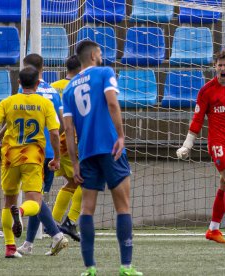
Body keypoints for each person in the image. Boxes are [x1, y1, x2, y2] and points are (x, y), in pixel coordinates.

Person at [62, 40, 142, 276]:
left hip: (86, 152)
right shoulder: (105, 72)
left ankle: (90, 268)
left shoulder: (68, 88)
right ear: (95, 55)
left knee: (87, 209)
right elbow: (111, 102)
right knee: (123, 206)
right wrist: (120, 135)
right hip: (110, 147)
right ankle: (126, 267)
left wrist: (75, 162)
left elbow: (68, 129)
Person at [0, 66, 63, 258]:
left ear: (18, 83)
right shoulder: (44, 104)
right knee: (35, 200)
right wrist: (57, 157)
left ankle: (10, 248)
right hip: (32, 158)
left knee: (8, 202)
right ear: (37, 83)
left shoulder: (8, 101)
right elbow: (54, 132)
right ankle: (22, 211)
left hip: (9, 158)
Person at [0, 54, 68, 256]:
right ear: (43, 68)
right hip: (47, 150)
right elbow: (61, 124)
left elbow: (13, 116)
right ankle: (32, 242)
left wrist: (0, 136)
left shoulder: (22, 91)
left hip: (24, 150)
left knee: (35, 199)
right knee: (37, 198)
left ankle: (55, 236)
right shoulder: (53, 92)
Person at [177, 50, 225, 244]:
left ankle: (213, 229)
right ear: (215, 67)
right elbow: (198, 119)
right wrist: (187, 144)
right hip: (218, 143)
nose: (223, 68)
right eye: (220, 65)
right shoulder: (206, 91)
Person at [50, 55, 82, 242]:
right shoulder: (80, 87)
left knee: (71, 183)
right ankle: (70, 221)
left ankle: (52, 223)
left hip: (56, 141)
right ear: (80, 69)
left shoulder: (53, 87)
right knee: (86, 181)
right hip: (73, 140)